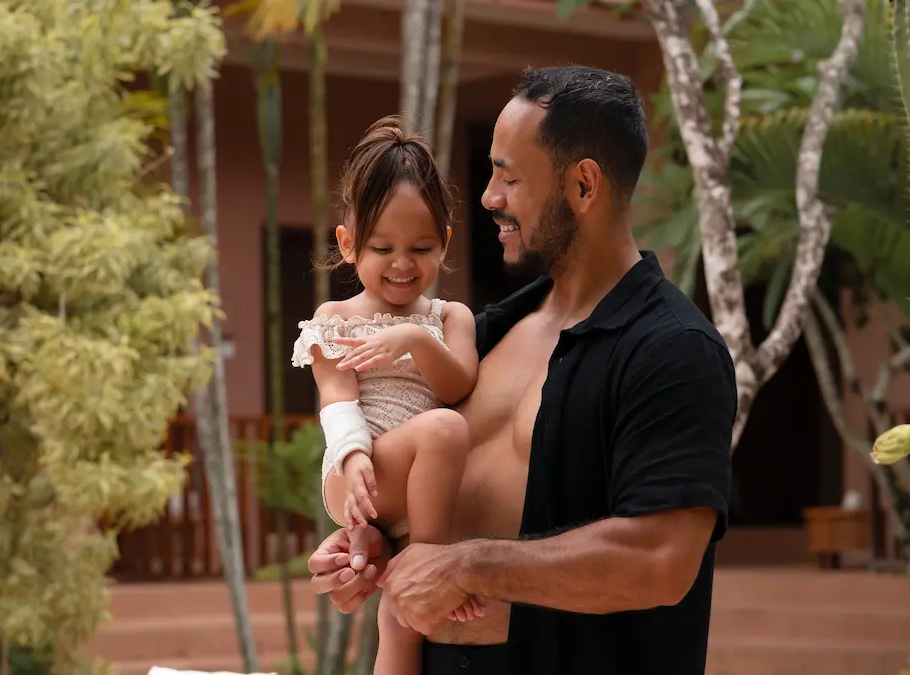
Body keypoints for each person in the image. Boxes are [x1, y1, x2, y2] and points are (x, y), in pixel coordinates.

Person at [307, 65, 738, 675]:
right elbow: (435, 489)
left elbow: (660, 559)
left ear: (583, 186)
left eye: (507, 177)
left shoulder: (672, 349)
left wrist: (464, 566)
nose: (488, 197)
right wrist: (375, 549)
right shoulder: (488, 332)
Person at [290, 115, 486, 675]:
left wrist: (415, 343)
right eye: (382, 248)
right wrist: (352, 459)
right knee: (447, 429)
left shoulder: (450, 318)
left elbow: (459, 384)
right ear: (349, 245)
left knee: (398, 626)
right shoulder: (336, 317)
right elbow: (336, 395)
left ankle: (411, 582)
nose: (402, 264)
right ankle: (431, 563)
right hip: (358, 470)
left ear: (444, 244)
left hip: (417, 478)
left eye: (420, 247)